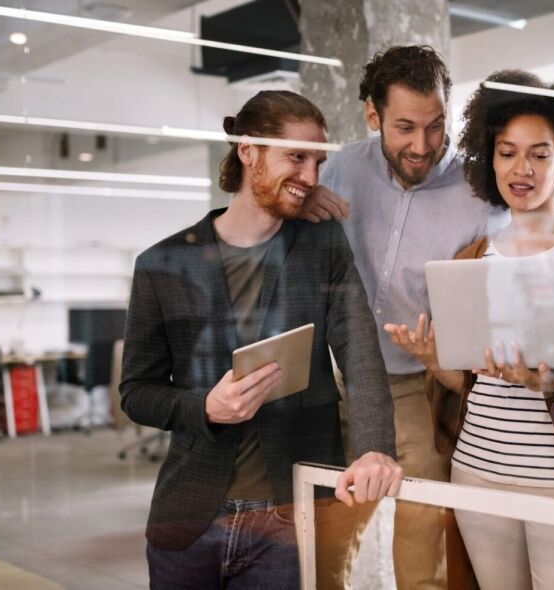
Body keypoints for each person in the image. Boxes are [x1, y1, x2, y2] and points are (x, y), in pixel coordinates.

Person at [120, 90, 404, 590]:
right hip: (190, 517)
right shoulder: (161, 265)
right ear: (248, 150)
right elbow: (137, 392)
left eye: (318, 161)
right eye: (296, 157)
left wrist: (375, 449)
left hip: (292, 519)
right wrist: (205, 407)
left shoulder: (322, 246)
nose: (311, 177)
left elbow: (360, 354)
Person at [385, 70, 554, 590]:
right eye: (507, 152)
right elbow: (471, 386)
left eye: (539, 154)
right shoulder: (475, 256)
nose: (521, 168)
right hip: (477, 469)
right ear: (490, 157)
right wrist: (434, 358)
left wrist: (541, 381)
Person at [301, 45, 507, 589]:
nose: (423, 146)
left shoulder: (481, 194)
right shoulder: (341, 167)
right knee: (328, 538)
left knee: (422, 541)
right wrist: (304, 201)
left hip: (422, 387)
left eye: (436, 126)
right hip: (346, 380)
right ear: (373, 116)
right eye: (405, 128)